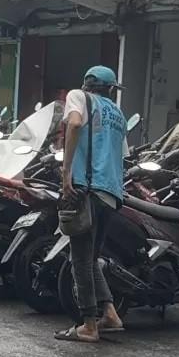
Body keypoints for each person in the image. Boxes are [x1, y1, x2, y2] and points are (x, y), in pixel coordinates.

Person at [54, 66, 127, 343]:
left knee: (80, 260)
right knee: (90, 258)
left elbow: (73, 124)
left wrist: (66, 173)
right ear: (110, 89)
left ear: (87, 85)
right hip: (111, 194)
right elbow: (121, 154)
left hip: (86, 188)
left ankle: (88, 325)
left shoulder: (78, 97)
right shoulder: (118, 115)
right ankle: (109, 313)